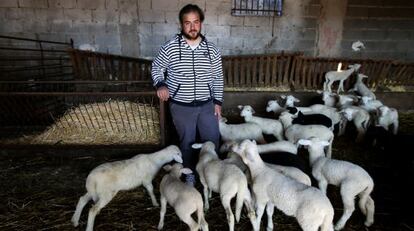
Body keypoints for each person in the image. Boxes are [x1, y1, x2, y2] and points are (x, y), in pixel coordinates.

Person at [151, 4, 224, 186]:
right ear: (181, 25)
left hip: (207, 105)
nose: (192, 27)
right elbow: (156, 67)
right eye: (187, 23)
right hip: (181, 106)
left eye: (196, 22)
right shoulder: (170, 47)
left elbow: (217, 76)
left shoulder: (211, 49)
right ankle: (189, 175)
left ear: (201, 23)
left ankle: (214, 176)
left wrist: (217, 101)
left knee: (212, 140)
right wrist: (160, 84)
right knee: (187, 142)